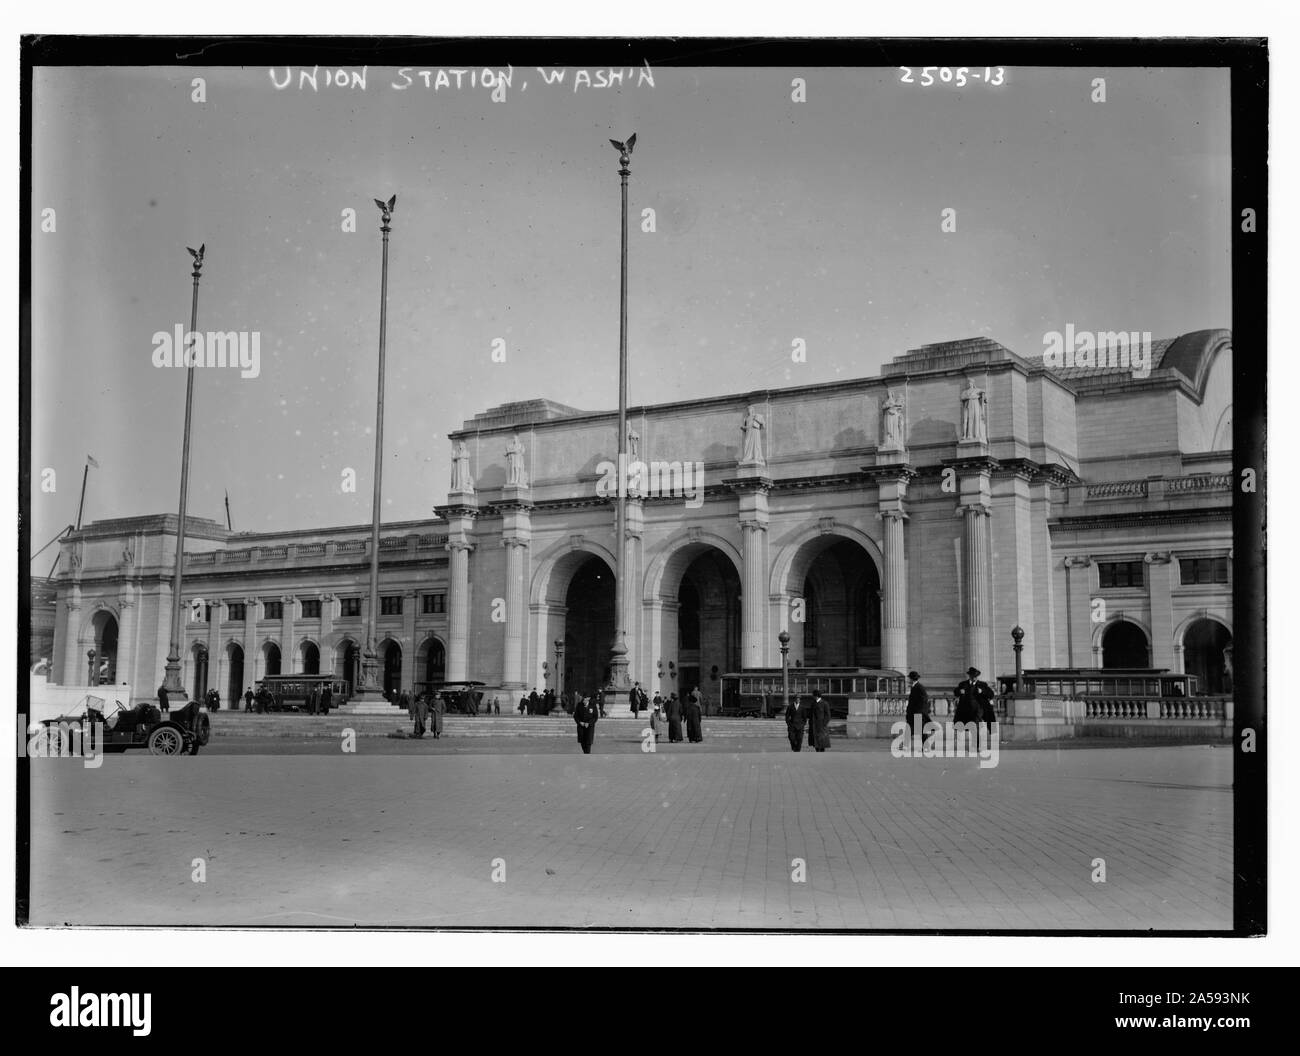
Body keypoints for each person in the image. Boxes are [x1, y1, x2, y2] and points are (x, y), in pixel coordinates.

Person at [953, 666, 995, 742]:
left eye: (975, 676)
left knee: (975, 725)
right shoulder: (963, 684)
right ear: (970, 676)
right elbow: (955, 692)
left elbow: (991, 694)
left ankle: (976, 744)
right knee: (967, 725)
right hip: (967, 709)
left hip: (979, 709)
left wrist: (982, 692)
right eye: (972, 676)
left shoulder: (982, 685)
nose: (974, 678)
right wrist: (960, 691)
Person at [905, 671, 930, 739]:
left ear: (911, 679)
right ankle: (904, 745)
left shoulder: (919, 687)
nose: (908, 680)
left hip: (917, 713)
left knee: (920, 730)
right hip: (913, 713)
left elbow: (924, 700)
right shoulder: (914, 686)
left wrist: (918, 712)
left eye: (909, 678)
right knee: (910, 729)